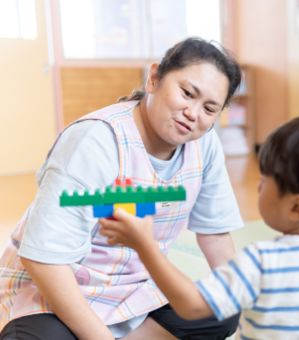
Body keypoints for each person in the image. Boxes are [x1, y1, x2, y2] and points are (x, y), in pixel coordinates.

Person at [0, 37, 244, 340]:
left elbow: (216, 233)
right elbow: (45, 260)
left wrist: (241, 291)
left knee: (222, 308)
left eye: (209, 108)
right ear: (154, 78)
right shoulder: (95, 140)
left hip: (134, 291)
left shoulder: (203, 145)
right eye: (186, 93)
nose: (193, 113)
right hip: (54, 291)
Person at [100, 111, 299, 339]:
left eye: (267, 179)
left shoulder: (262, 261)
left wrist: (144, 245)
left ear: (297, 207)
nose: (259, 184)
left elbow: (191, 305)